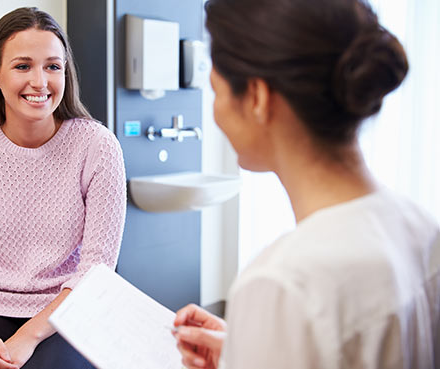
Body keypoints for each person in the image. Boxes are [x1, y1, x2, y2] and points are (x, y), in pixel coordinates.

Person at [173, 0, 440, 368]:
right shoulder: (419, 226)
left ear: (257, 97)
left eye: (216, 91)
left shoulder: (282, 282)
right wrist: (246, 350)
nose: (215, 112)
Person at [0, 7, 126, 369]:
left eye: (53, 66)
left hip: (68, 310)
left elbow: (96, 271)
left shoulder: (98, 148)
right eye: (23, 66)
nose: (40, 82)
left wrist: (26, 339)